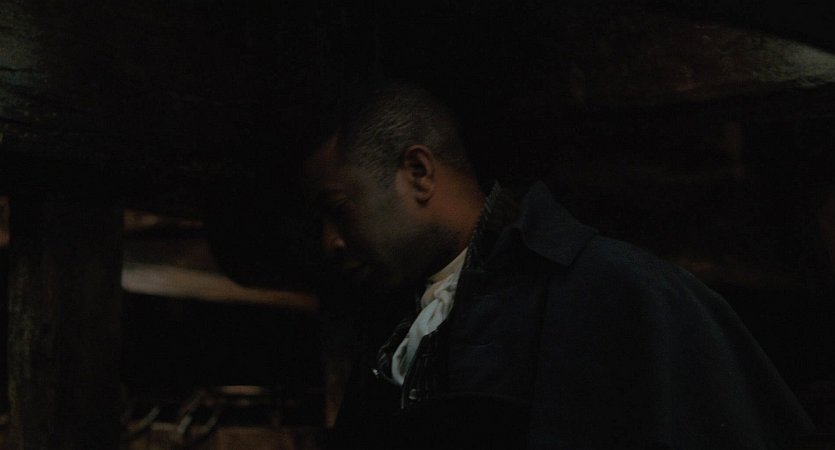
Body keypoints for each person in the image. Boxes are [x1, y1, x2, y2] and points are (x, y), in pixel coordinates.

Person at [304, 81, 814, 449]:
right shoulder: (388, 330)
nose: (330, 242)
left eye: (340, 209)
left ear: (418, 172)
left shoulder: (621, 290)